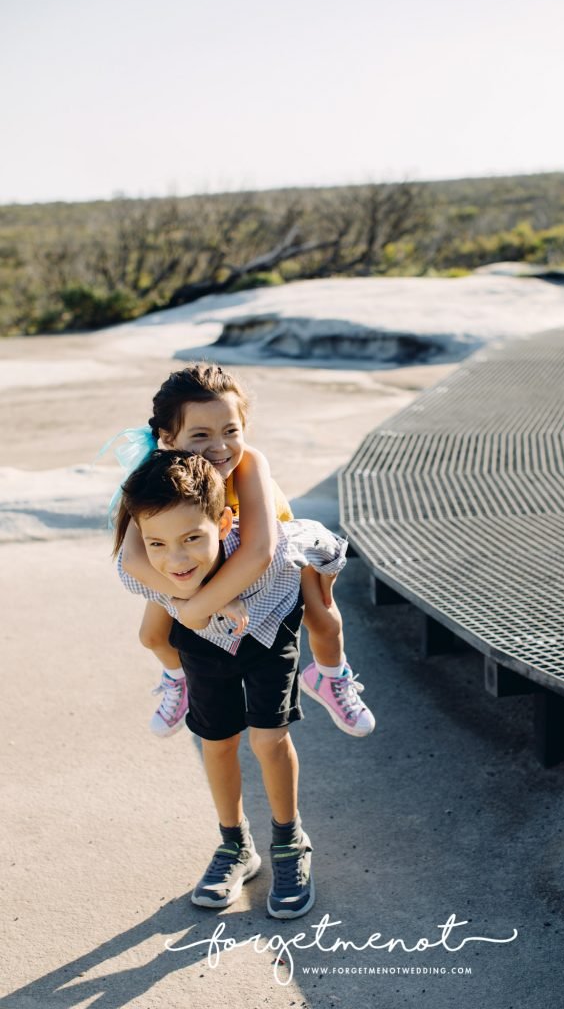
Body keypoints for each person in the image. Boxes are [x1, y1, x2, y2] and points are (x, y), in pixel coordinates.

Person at [114, 448, 348, 916]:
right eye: (157, 543)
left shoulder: (267, 545)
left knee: (269, 740)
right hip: (202, 646)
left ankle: (289, 840)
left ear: (222, 524)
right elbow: (139, 576)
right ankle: (236, 844)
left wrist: (326, 586)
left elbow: (324, 543)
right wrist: (201, 601)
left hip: (267, 638)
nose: (176, 559)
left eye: (191, 538)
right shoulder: (145, 569)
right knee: (216, 742)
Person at [116, 364, 374, 740]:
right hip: (190, 562)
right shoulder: (156, 475)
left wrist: (195, 608)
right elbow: (133, 559)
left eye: (230, 431)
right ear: (169, 439)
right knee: (153, 636)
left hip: (278, 558)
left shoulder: (249, 462)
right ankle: (179, 678)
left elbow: (260, 551)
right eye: (200, 434)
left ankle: (329, 675)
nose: (219, 447)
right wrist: (208, 601)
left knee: (322, 618)